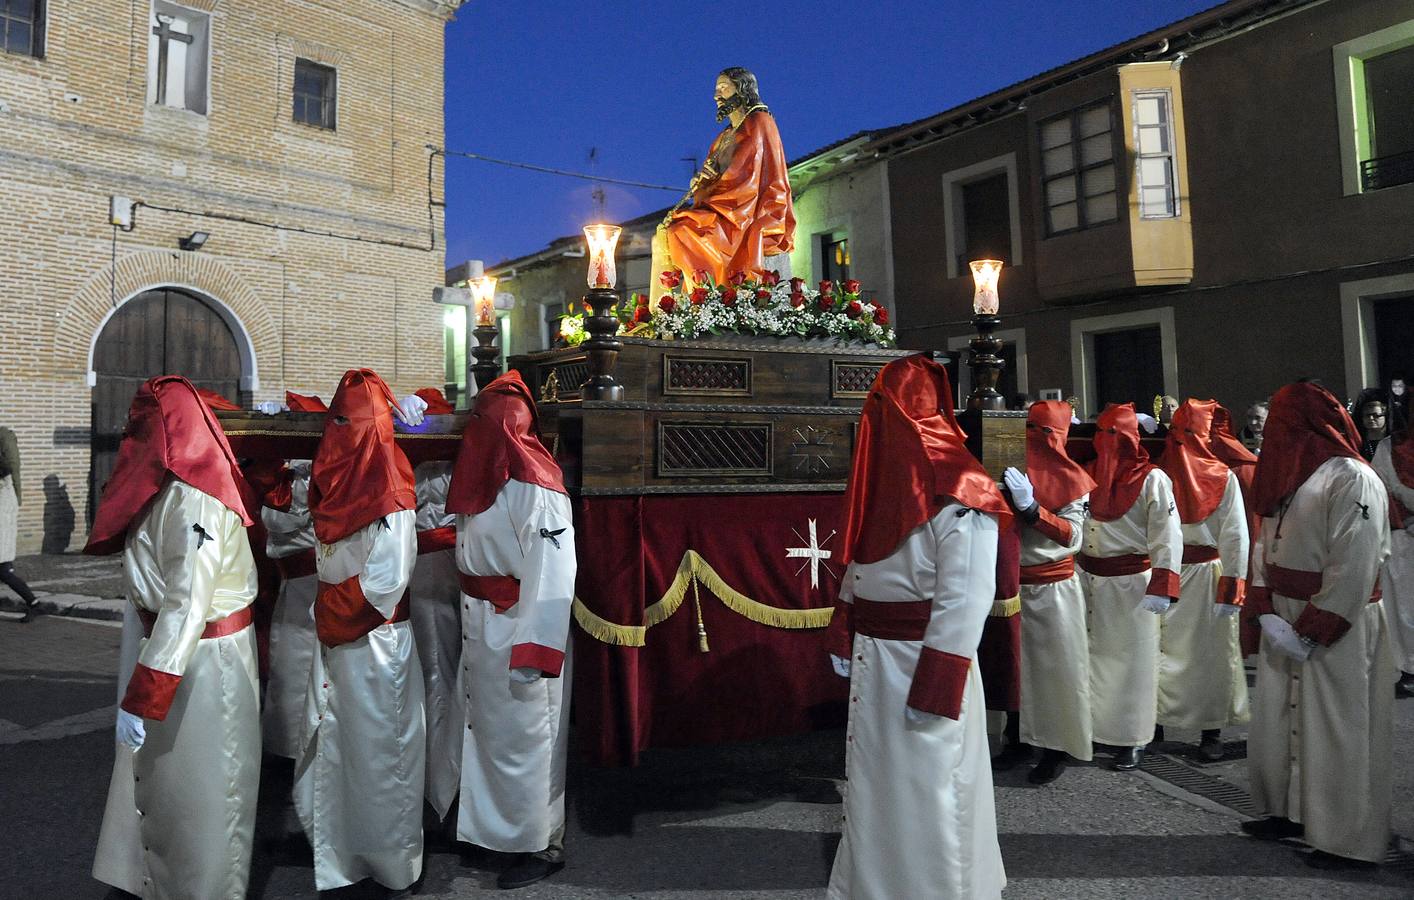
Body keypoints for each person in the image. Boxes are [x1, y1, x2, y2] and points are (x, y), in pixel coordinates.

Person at [824, 354, 1008, 899]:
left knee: (932, 787)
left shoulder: (963, 490)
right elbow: (860, 555)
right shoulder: (883, 483)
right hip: (877, 660)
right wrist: (845, 621)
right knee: (878, 785)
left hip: (922, 662)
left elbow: (966, 598)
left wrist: (940, 680)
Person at [86, 376, 261, 898]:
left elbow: (189, 602)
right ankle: (153, 880)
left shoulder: (195, 498)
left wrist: (147, 691)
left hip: (208, 663)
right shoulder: (166, 489)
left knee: (203, 795)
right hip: (175, 652)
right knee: (163, 785)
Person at [1242, 381, 1392, 869]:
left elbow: (1356, 561)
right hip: (1284, 614)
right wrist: (1264, 602)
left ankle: (1346, 836)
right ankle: (1290, 811)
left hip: (1333, 621)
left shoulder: (1353, 478)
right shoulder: (1289, 471)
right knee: (1281, 720)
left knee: (1338, 726)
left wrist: (1311, 628)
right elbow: (1265, 538)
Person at [294, 369, 427, 895]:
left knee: (381, 758)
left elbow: (386, 582)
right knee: (338, 746)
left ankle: (392, 867)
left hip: (373, 642)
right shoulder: (333, 486)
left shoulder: (391, 490)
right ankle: (344, 855)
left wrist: (329, 614)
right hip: (337, 634)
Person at [446, 371, 576, 890]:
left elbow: (554, 571)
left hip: (517, 623)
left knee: (528, 738)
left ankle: (540, 843)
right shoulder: (485, 479)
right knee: (489, 734)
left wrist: (536, 648)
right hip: (482, 622)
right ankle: (496, 835)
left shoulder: (537, 489)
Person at [1081, 403, 1182, 770]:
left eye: (1115, 435)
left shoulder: (1153, 479)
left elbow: (1167, 535)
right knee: (1098, 661)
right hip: (1091, 580)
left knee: (1133, 665)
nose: (1107, 442)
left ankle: (1133, 738)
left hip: (1132, 585)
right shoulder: (1089, 474)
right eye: (1101, 433)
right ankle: (1097, 730)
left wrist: (1163, 584)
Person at [1001, 400, 1095, 784]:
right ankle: (1017, 739)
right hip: (1011, 584)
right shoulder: (1007, 465)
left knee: (1054, 672)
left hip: (1054, 587)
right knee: (1014, 668)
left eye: (1045, 432)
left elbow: (1073, 536)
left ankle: (1055, 747)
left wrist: (1031, 508)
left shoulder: (1073, 481)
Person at [1155, 400, 1251, 760]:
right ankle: (1156, 724)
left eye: (1189, 433)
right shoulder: (1159, 472)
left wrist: (1232, 586)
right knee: (1161, 651)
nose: (1183, 442)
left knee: (1210, 655)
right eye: (1178, 433)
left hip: (1207, 575)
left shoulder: (1223, 477)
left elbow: (1235, 535)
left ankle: (1211, 732)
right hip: (1167, 570)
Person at [650, 67, 795, 299]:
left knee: (681, 230)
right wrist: (701, 182)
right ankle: (682, 303)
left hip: (748, 210)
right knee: (667, 233)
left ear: (742, 89)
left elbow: (747, 175)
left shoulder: (760, 121)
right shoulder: (724, 135)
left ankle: (707, 296)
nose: (716, 95)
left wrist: (714, 179)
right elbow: (712, 176)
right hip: (724, 206)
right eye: (716, 89)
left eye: (723, 87)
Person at [408, 387, 464, 826]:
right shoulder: (457, 455)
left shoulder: (412, 457)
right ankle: (444, 785)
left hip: (434, 567)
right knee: (442, 671)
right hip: (444, 565)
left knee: (436, 671)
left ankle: (440, 786)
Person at [1372, 407, 1414, 696]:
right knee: (1405, 609)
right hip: (1403, 535)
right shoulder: (1389, 447)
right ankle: (1410, 669)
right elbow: (1379, 489)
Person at [0, 425, 38, 621]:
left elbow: (12, 466)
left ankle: (33, 602)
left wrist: (18, 496)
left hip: (4, 504)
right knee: (4, 568)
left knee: (3, 569)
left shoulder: (4, 435)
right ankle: (33, 602)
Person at [1352, 387, 1389, 461]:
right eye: (1367, 415)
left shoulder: (1395, 442)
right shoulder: (1356, 442)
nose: (1371, 418)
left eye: (1376, 415)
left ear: (1386, 415)